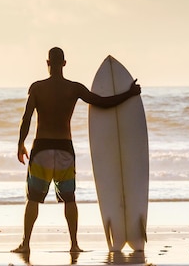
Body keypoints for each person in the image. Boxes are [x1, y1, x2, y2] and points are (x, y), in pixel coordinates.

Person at [12, 47, 141, 254]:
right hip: (64, 148)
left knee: (33, 198)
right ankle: (74, 244)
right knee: (69, 198)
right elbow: (102, 103)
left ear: (47, 63)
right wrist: (129, 94)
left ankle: (26, 244)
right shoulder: (74, 89)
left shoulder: (37, 88)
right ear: (64, 63)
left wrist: (20, 143)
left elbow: (26, 118)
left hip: (42, 148)